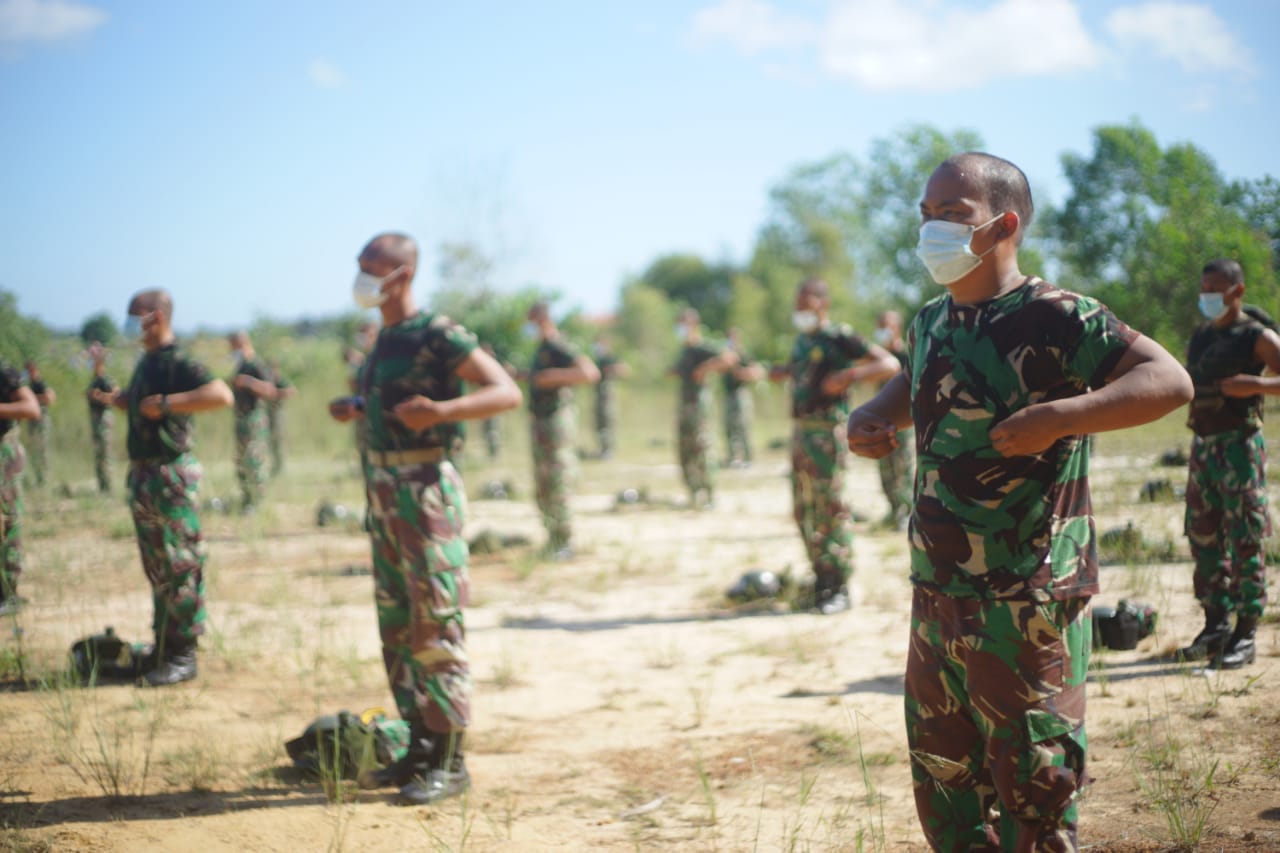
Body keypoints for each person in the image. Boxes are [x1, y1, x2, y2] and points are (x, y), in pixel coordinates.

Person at [847, 152, 1192, 851]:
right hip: (938, 595)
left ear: (1003, 224)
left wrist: (1064, 414)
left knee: (1035, 790)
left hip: (1028, 596)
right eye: (925, 214)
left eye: (952, 215)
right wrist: (871, 419)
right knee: (947, 785)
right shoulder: (930, 320)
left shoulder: (1057, 316)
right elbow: (908, 388)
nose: (931, 229)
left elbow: (1170, 380)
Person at [329, 232, 520, 806]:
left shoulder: (437, 332)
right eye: (361, 267)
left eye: (373, 269)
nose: (363, 277)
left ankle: (449, 758)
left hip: (425, 488)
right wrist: (359, 409)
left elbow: (504, 391)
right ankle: (417, 747)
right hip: (384, 491)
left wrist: (443, 411)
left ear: (403, 275)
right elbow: (394, 402)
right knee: (396, 622)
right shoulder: (383, 338)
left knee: (435, 620)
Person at [95, 289, 233, 685]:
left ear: (155, 317)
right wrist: (124, 400)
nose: (128, 322)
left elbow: (220, 394)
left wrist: (170, 404)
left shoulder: (177, 360)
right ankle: (163, 647)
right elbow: (148, 404)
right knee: (157, 566)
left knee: (179, 563)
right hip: (144, 474)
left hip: (169, 474)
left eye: (133, 315)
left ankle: (183, 654)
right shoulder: (148, 361)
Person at [1178, 258, 1280, 670]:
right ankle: (1215, 625)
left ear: (1236, 291)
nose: (1207, 297)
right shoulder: (1203, 334)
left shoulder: (1256, 336)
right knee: (1202, 535)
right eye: (1203, 288)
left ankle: (1246, 632)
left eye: (1215, 289)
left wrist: (1255, 385)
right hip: (1203, 448)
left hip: (1239, 447)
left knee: (1244, 537)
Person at [775, 280, 899, 614]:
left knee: (829, 506)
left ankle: (839, 583)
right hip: (801, 431)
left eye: (808, 304)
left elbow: (888, 364)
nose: (801, 311)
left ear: (823, 304)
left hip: (828, 432)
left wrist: (848, 377)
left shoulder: (838, 336)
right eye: (798, 305)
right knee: (803, 507)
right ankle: (820, 577)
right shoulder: (803, 340)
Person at [525, 302, 600, 559]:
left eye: (532, 321)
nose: (529, 327)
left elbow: (589, 373)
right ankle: (553, 537)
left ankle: (565, 540)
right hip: (541, 423)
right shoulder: (542, 348)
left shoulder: (559, 345)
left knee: (557, 479)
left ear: (543, 319)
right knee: (544, 482)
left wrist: (551, 377)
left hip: (555, 423)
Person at [672, 308, 738, 509]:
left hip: (699, 404)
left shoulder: (702, 346)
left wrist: (705, 368)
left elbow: (729, 358)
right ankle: (694, 492)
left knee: (702, 447)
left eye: (684, 324)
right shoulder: (685, 350)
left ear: (694, 325)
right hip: (684, 404)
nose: (681, 328)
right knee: (685, 448)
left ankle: (709, 494)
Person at [0, 361, 40, 616]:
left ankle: (7, 593)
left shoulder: (4, 373)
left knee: (6, 523)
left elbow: (31, 407)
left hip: (4, 454)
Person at [228, 332, 280, 513]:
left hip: (254, 419)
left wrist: (249, 383)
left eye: (234, 346)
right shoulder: (240, 365)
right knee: (242, 461)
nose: (232, 350)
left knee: (254, 460)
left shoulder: (255, 365)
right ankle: (246, 498)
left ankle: (256, 501)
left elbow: (271, 391)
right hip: (241, 418)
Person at [873, 310, 914, 528]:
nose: (881, 330)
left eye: (886, 325)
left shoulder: (907, 355)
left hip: (902, 422)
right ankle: (893, 509)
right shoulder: (878, 358)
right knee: (885, 468)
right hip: (881, 421)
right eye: (879, 325)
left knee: (902, 467)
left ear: (896, 328)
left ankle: (907, 511)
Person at [722, 328, 765, 468]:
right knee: (729, 426)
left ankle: (747, 458)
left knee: (743, 426)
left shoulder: (743, 355)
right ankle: (733, 457)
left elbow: (758, 371)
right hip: (728, 394)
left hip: (740, 394)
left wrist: (739, 372)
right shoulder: (724, 355)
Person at [86, 342, 117, 494]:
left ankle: (108, 487)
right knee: (98, 453)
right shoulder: (94, 381)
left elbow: (116, 396)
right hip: (95, 419)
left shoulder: (105, 380)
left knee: (105, 453)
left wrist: (100, 397)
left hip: (104, 419)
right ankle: (101, 486)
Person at [592, 335, 629, 459]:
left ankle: (609, 450)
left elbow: (624, 369)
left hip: (607, 396)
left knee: (608, 421)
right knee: (599, 423)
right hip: (598, 394)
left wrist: (612, 369)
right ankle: (602, 448)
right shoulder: (598, 360)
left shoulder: (609, 358)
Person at [23, 360, 55, 488]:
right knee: (34, 450)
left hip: (41, 420)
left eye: (30, 369)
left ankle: (44, 479)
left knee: (42, 449)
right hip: (32, 421)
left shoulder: (40, 383)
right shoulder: (30, 385)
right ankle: (38, 477)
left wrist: (32, 400)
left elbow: (49, 398)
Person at [265, 360, 296, 478]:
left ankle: (279, 465)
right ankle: (273, 464)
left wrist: (276, 393)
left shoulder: (279, 380)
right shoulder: (267, 381)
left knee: (278, 439)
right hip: (267, 414)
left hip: (277, 414)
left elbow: (292, 391)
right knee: (269, 440)